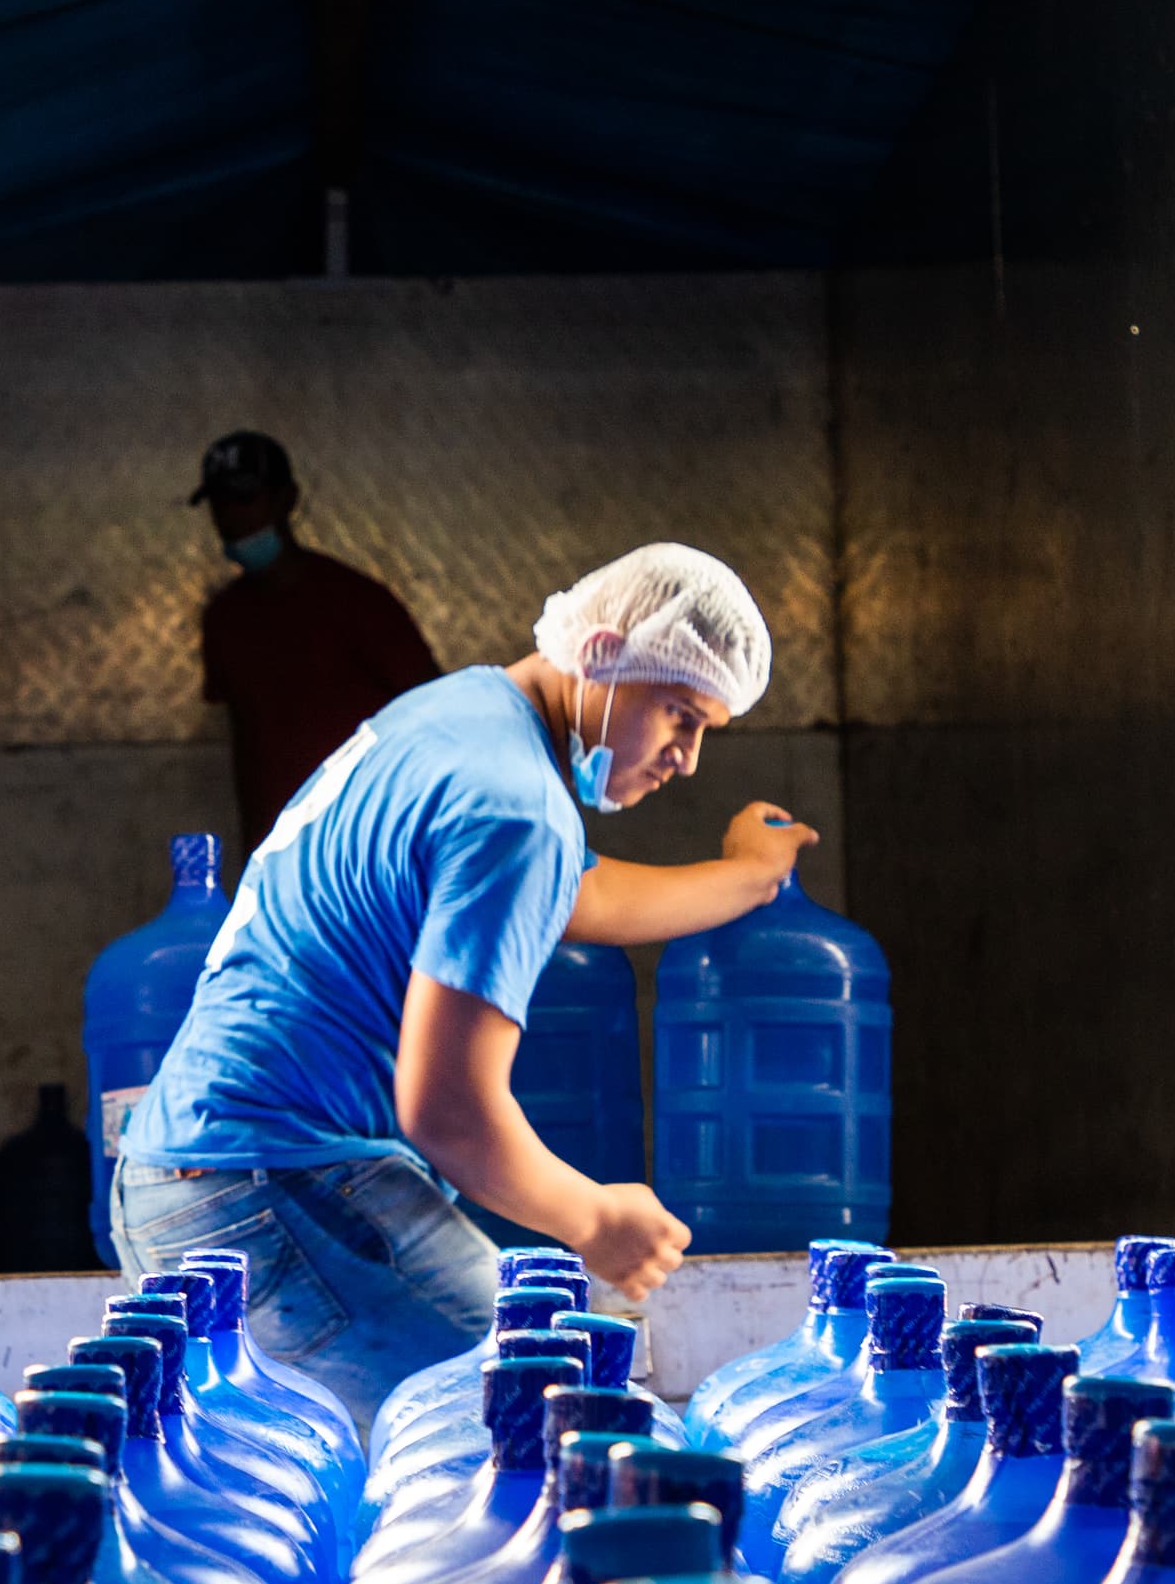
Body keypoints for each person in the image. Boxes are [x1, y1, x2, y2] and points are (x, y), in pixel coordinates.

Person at [114, 543, 814, 1435]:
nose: (687, 759)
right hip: (276, 1188)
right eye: (679, 714)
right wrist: (595, 1218)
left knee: (407, 1480)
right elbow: (446, 1111)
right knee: (564, 1426)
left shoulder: (462, 716)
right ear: (600, 654)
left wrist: (749, 876)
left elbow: (578, 891)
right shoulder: (516, 807)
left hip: (180, 1176)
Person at [189, 429, 440, 847]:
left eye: (244, 498)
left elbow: (435, 713)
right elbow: (248, 743)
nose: (231, 516)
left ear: (287, 499)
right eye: (220, 503)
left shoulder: (357, 602)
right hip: (278, 849)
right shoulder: (225, 617)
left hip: (368, 843)